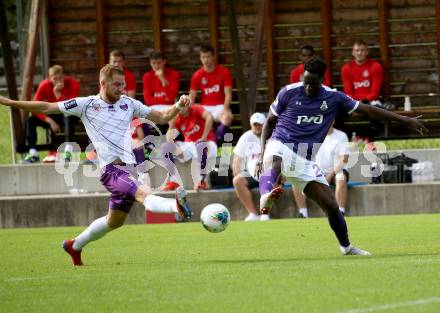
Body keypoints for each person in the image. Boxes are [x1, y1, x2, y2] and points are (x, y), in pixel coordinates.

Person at [0, 64, 193, 266]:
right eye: (117, 85)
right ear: (103, 83)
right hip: (111, 171)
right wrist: (9, 102)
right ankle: (176, 206)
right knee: (143, 194)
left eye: (123, 84)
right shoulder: (86, 104)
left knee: (114, 222)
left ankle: (73, 245)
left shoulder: (129, 103)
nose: (121, 88)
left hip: (129, 169)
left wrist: (179, 106)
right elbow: (46, 107)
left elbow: (162, 117)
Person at [256, 58, 427, 256]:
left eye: (313, 83)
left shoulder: (334, 97)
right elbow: (269, 122)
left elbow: (369, 110)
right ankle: (265, 197)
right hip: (281, 142)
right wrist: (262, 154)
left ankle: (346, 247)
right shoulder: (288, 92)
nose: (308, 87)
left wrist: (405, 120)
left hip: (304, 159)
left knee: (331, 205)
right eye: (306, 81)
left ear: (322, 79)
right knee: (274, 157)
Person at [23, 65, 80, 163]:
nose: (58, 81)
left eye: (60, 78)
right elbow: (34, 107)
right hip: (53, 115)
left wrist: (57, 93)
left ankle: (68, 151)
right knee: (31, 120)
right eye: (55, 79)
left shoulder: (73, 83)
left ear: (64, 76)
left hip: (69, 113)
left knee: (69, 116)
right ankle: (33, 153)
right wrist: (49, 121)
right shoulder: (44, 85)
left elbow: (69, 107)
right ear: (49, 79)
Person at [292, 125, 350, 218]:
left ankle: (340, 212)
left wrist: (330, 176)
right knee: (296, 180)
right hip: (316, 172)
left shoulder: (341, 136)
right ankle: (303, 214)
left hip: (336, 172)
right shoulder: (312, 134)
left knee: (340, 177)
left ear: (333, 120)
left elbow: (344, 159)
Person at [160, 105, 217, 191]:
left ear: (188, 105)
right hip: (190, 145)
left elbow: (209, 117)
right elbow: (169, 140)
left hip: (207, 142)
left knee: (200, 144)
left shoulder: (196, 108)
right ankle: (173, 181)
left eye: (183, 106)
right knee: (166, 147)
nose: (181, 109)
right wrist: (171, 125)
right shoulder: (178, 117)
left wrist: (204, 136)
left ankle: (201, 181)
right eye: (179, 107)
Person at [341, 40, 384, 148]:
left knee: (378, 110)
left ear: (367, 52)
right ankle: (349, 138)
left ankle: (368, 139)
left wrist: (363, 102)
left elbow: (375, 92)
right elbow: (348, 92)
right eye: (357, 50)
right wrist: (357, 103)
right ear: (353, 52)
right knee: (336, 112)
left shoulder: (375, 66)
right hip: (353, 102)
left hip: (370, 101)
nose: (359, 53)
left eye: (362, 50)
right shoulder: (346, 69)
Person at [189, 45, 233, 144]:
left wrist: (225, 109)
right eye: (203, 57)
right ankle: (196, 146)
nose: (206, 60)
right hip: (204, 107)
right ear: (200, 58)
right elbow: (192, 96)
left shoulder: (224, 72)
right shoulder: (197, 75)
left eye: (208, 57)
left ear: (213, 57)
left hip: (220, 105)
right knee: (191, 120)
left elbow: (228, 94)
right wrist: (190, 108)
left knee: (227, 118)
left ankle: (214, 144)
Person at [232, 112, 266, 221]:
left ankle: (265, 212)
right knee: (237, 181)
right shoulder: (246, 137)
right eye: (255, 125)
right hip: (251, 174)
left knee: (272, 176)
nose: (257, 127)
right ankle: (253, 214)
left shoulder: (272, 135)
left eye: (259, 124)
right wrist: (236, 173)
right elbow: (237, 159)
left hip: (268, 173)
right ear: (251, 125)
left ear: (264, 124)